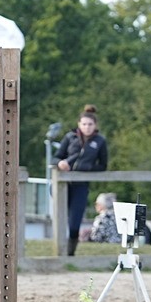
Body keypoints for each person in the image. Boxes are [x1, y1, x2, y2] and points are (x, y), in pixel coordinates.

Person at [52, 104, 108, 256]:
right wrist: (60, 163)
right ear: (79, 124)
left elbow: (103, 166)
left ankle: (70, 254)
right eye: (84, 124)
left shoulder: (100, 141)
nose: (87, 127)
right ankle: (58, 251)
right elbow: (55, 157)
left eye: (90, 124)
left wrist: (87, 169)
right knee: (60, 217)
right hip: (63, 184)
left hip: (81, 185)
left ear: (95, 125)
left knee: (75, 221)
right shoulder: (70, 137)